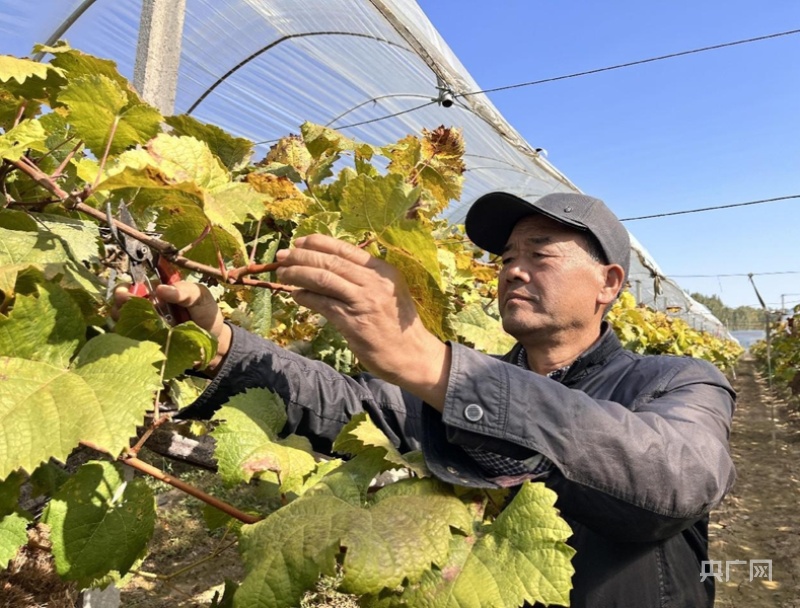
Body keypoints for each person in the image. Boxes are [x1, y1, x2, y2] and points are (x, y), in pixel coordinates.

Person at [122, 191, 736, 607]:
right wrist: (218, 341)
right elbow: (344, 406)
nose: (513, 270)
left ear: (608, 284)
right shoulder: (460, 380)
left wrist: (437, 365)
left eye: (540, 254)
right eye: (506, 258)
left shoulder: (675, 380)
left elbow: (672, 480)